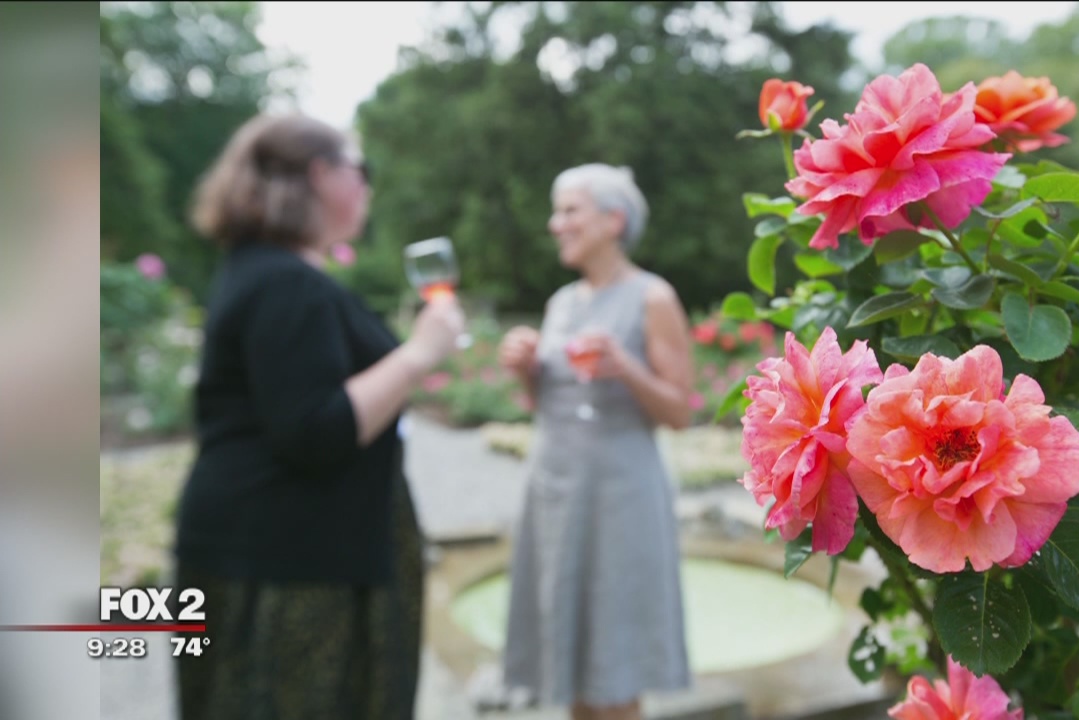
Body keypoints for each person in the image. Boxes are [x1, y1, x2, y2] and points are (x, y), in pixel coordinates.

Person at [172, 113, 465, 720]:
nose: (367, 187)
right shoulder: (287, 284)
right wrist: (418, 354)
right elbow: (315, 430)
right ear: (320, 175)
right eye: (362, 170)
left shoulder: (262, 271)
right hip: (291, 569)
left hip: (265, 550)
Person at [498, 164, 696, 720]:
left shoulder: (653, 297)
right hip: (555, 492)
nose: (554, 223)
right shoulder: (562, 302)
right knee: (570, 651)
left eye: (569, 211)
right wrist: (525, 369)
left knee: (614, 657)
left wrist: (625, 367)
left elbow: (680, 412)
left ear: (614, 220)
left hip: (619, 498)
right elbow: (546, 404)